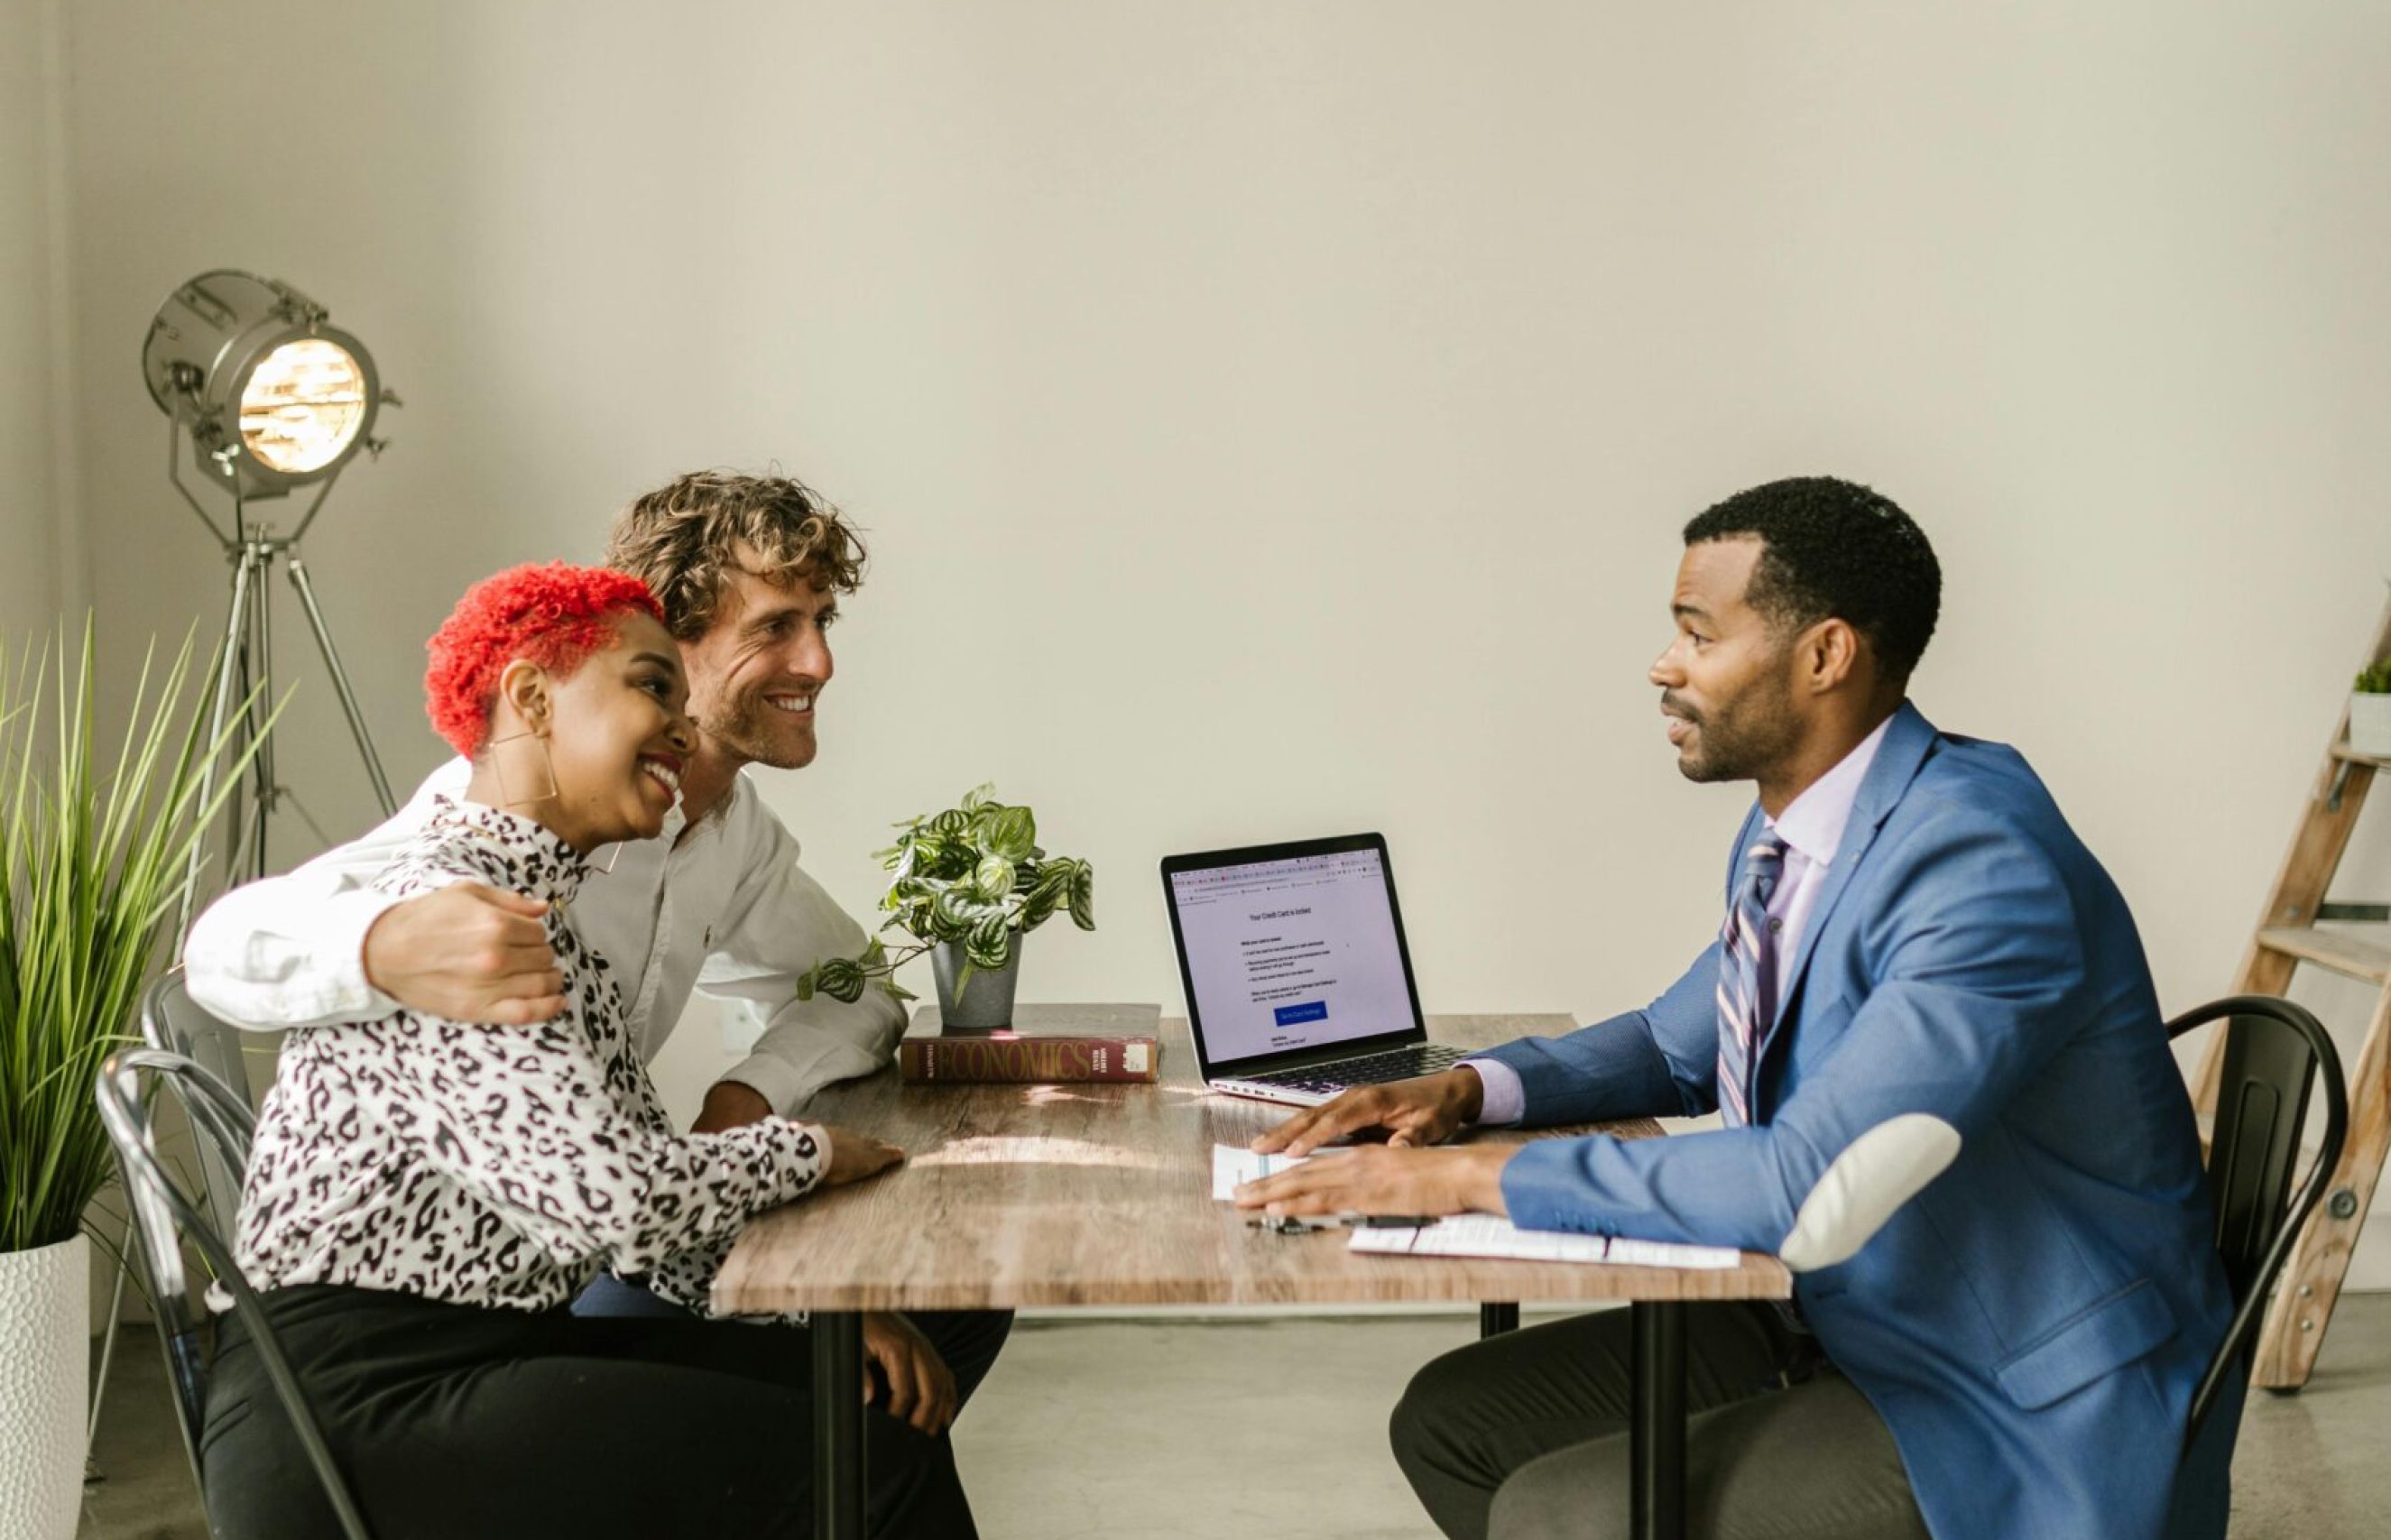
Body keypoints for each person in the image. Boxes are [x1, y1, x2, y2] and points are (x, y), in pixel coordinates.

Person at [1233, 477, 2235, 1540]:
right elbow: (1673, 1044)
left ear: (1824, 655)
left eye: (1698, 635)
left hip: (1998, 1392)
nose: (1664, 666)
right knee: (1453, 1422)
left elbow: (1808, 1183)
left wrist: (1462, 1177)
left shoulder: (1978, 864)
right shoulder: (1801, 832)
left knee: (1554, 1515)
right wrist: (1465, 1091)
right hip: (1844, 1312)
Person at [183, 469, 1006, 1401]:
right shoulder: (495, 832)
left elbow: (858, 989)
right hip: (514, 1285)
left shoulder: (735, 834)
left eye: (821, 623)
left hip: (617, 1221)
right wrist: (384, 947)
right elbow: (217, 949)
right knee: (849, 1373)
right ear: (668, 643)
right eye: (776, 626)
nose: (818, 662)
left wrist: (745, 1099)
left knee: (955, 1296)